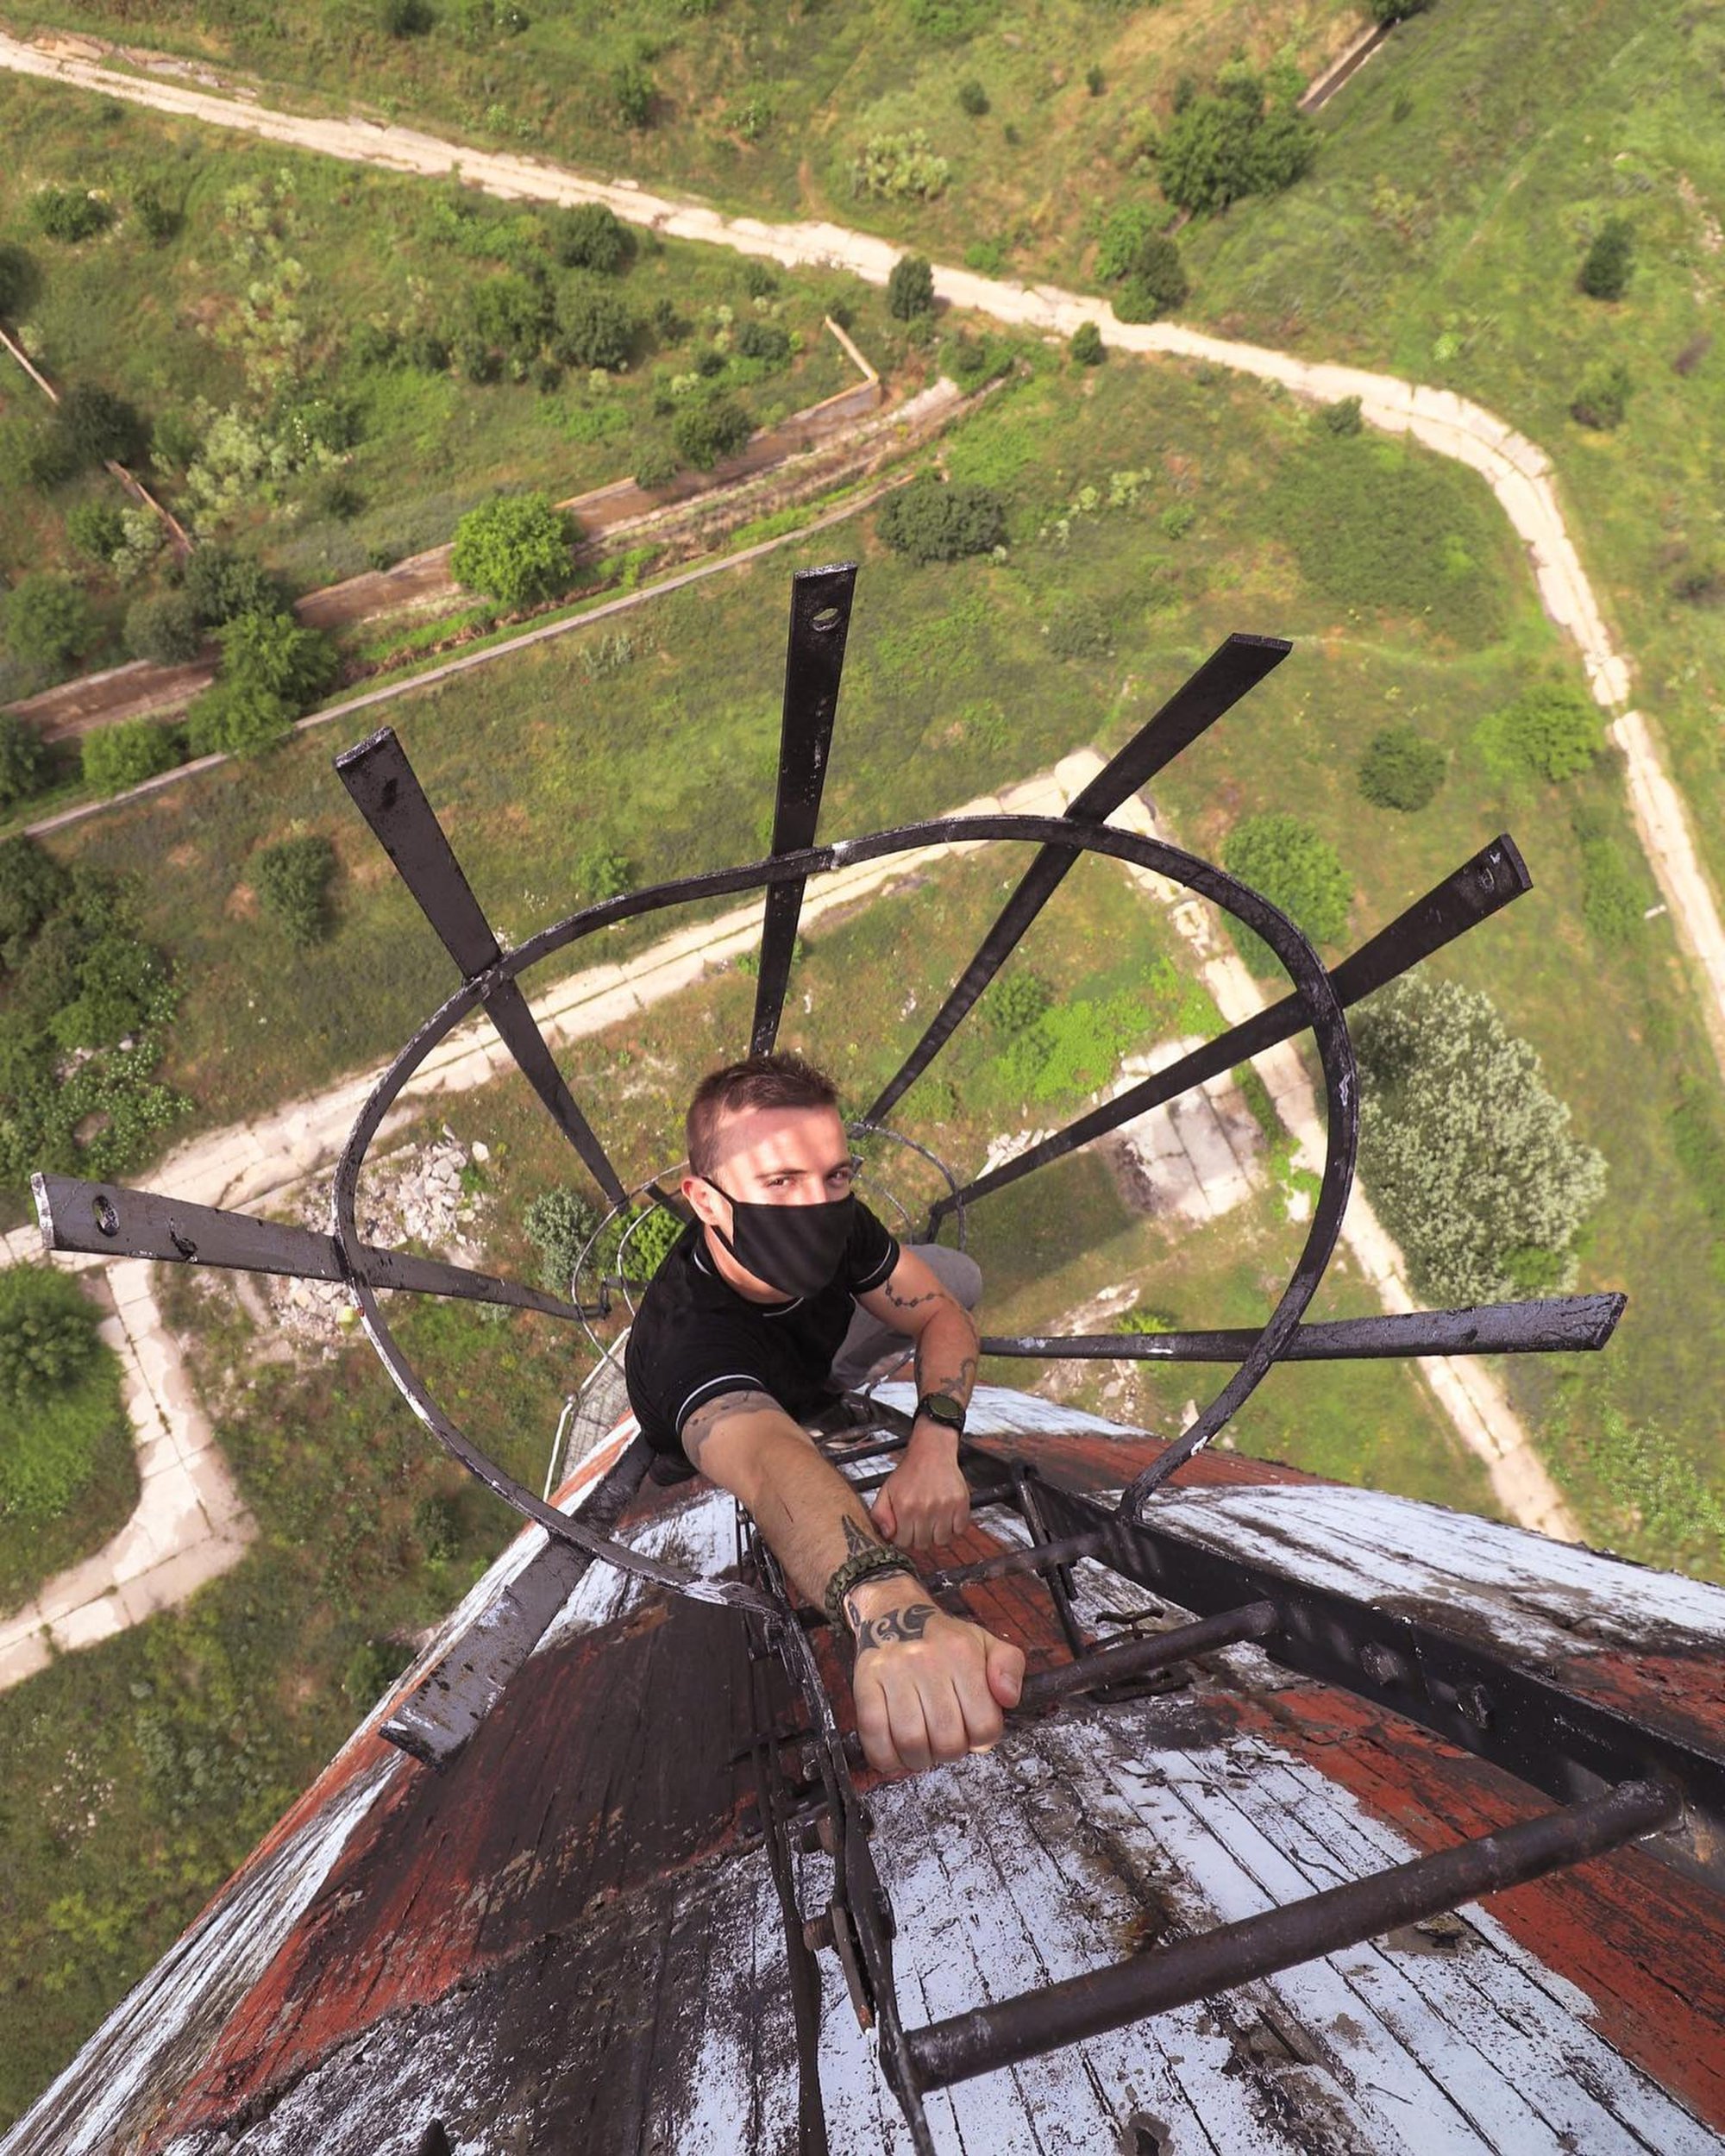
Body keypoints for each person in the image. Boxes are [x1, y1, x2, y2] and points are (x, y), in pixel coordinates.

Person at [624, 1052, 1025, 1777]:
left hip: (811, 1368)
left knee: (954, 1276)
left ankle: (826, 1390)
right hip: (734, 1412)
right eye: (780, 1182)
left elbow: (941, 1313)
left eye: (835, 1176)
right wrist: (885, 1601)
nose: (818, 1205)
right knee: (765, 1437)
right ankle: (747, 1428)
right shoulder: (686, 1339)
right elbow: (773, 1467)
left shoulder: (840, 1228)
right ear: (707, 1201)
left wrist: (934, 1444)